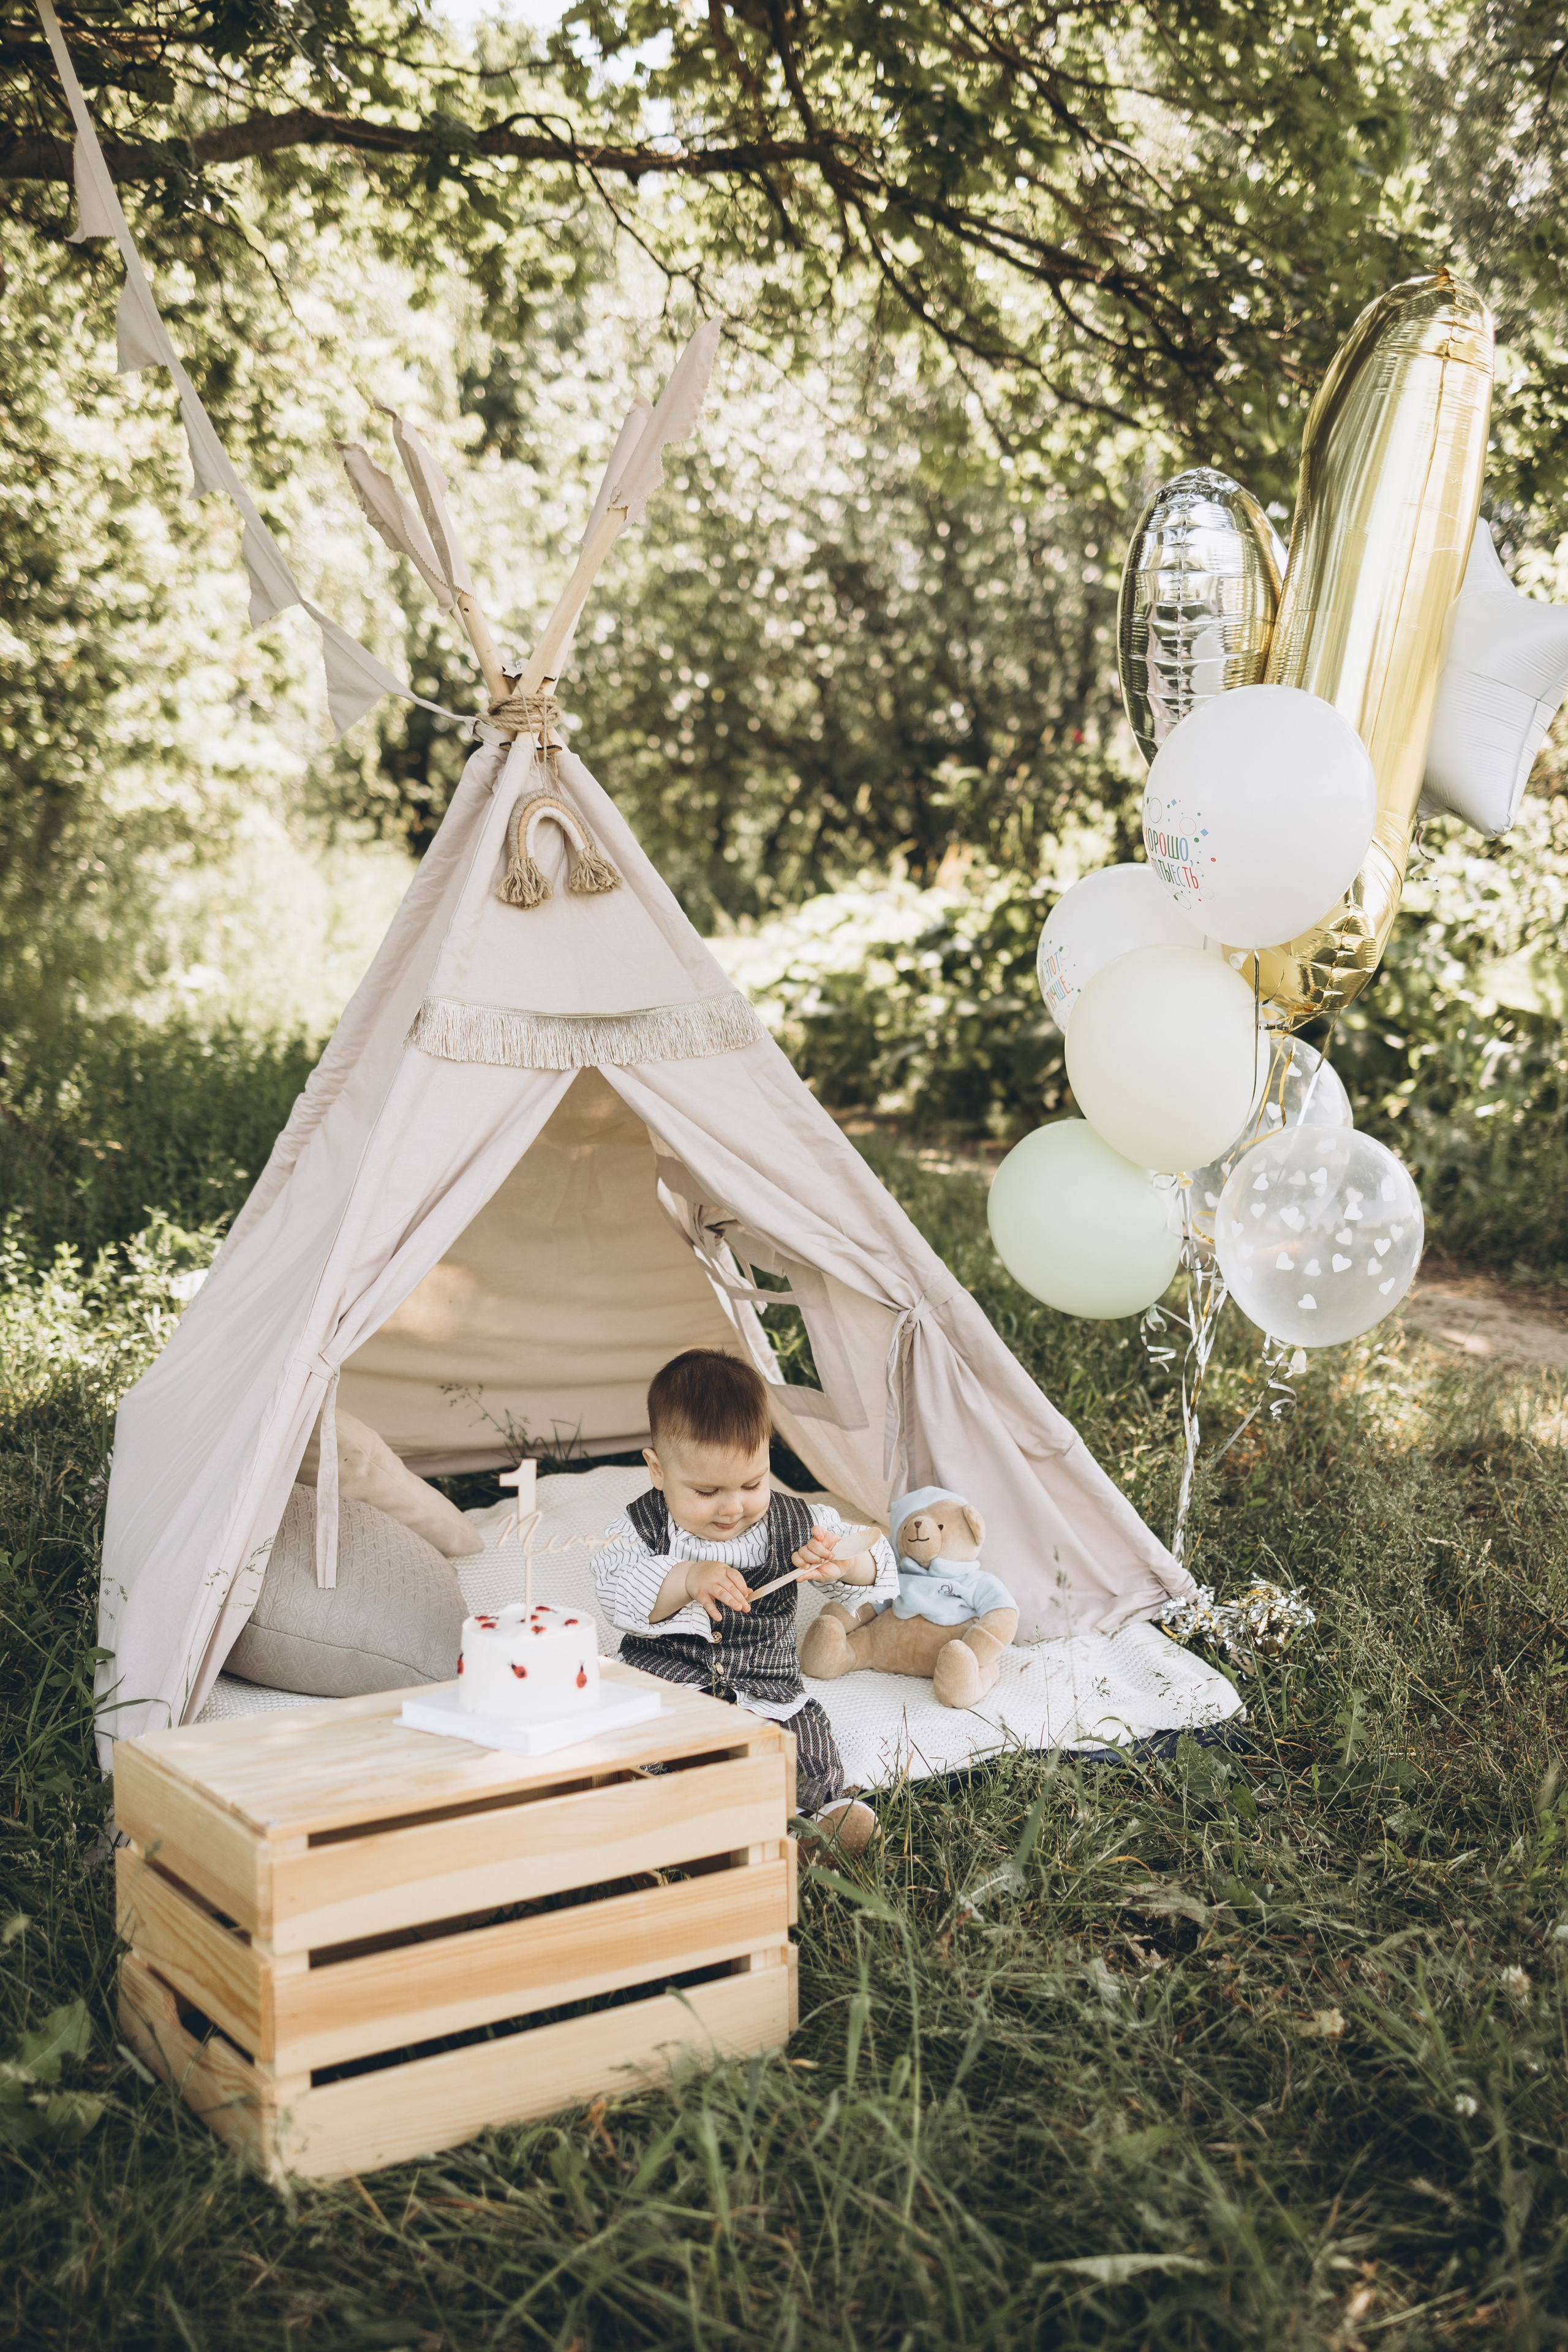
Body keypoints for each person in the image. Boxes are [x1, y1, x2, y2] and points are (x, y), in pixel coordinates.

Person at [593, 1349, 898, 1853]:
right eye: (707, 1491)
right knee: (642, 1745)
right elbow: (614, 1589)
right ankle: (686, 1820)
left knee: (805, 1743)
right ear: (658, 1470)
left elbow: (878, 1566)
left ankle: (814, 1820)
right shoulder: (642, 1528)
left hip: (766, 1692)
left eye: (752, 1483)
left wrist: (846, 1564)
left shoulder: (793, 1523)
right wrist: (686, 1578)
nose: (733, 1507)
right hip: (670, 1689)